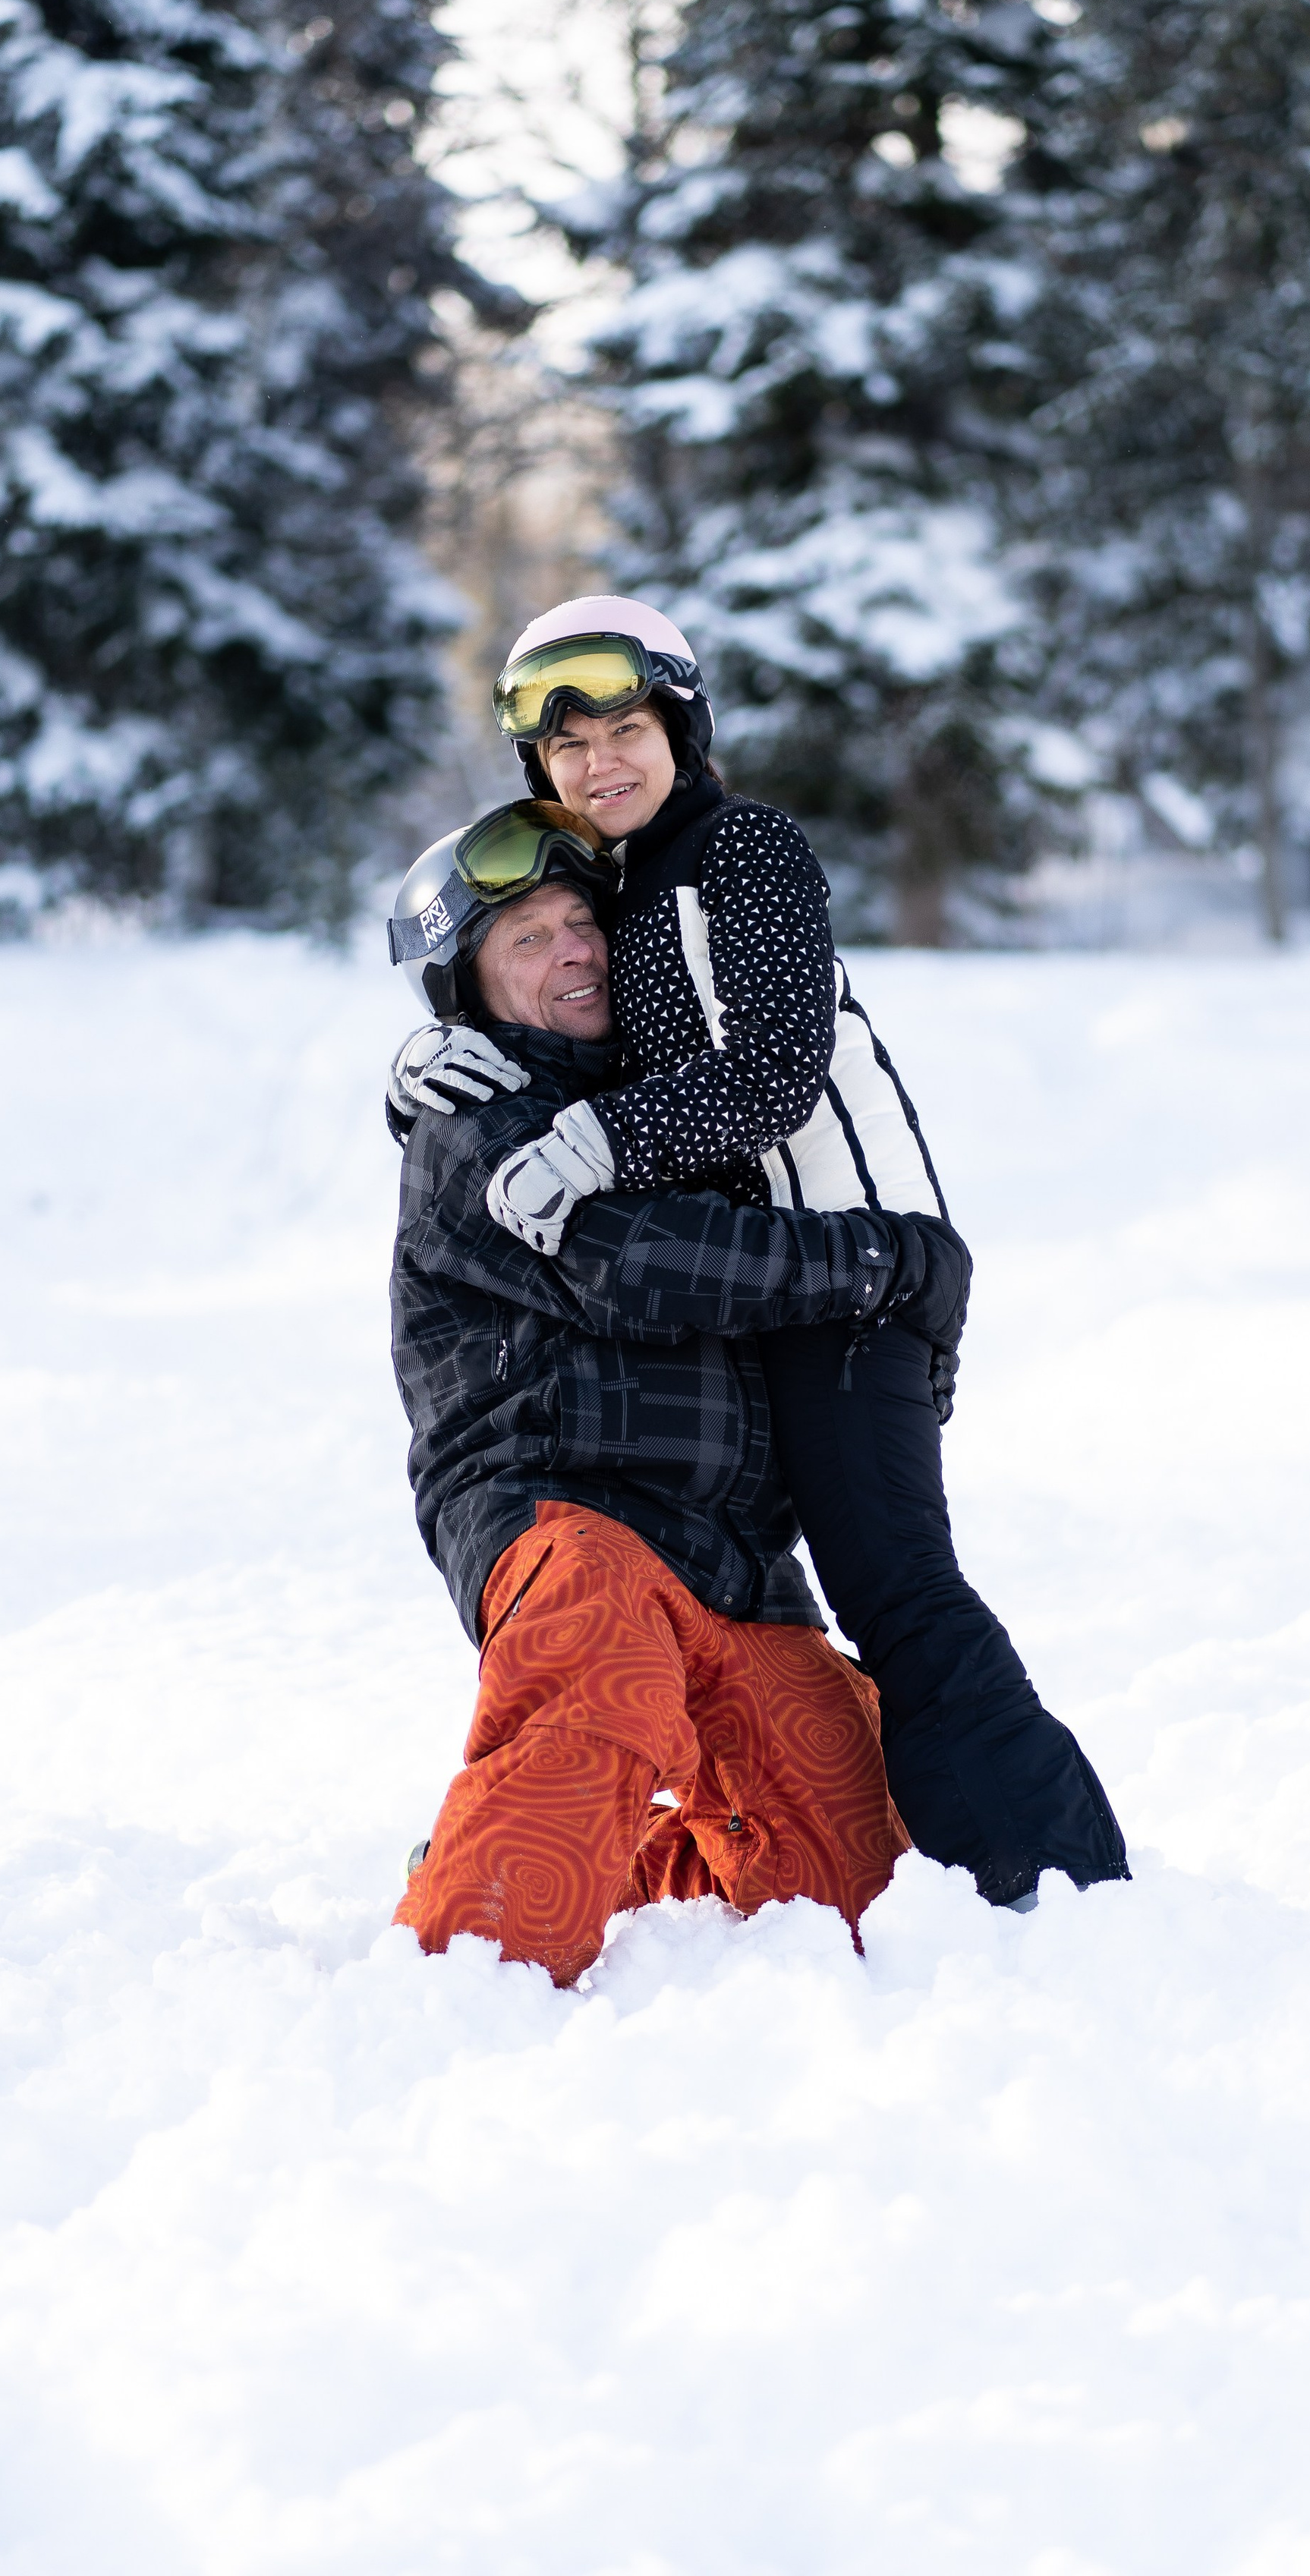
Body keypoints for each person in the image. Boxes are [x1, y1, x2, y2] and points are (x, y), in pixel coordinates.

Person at [392, 595, 1129, 1911]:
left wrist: (882, 1271)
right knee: (768, 1635)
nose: (601, 762)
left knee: (881, 1702)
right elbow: (612, 1189)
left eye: (626, 728)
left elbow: (776, 1073)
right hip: (658, 1431)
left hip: (801, 1401)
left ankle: (1042, 1880)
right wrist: (421, 1061)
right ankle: (516, 1910)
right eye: (571, 749)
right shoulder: (555, 1006)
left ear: (682, 725)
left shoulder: (742, 862)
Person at [385, 796, 978, 1986]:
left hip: (732, 1561)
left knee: (863, 1872)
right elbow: (644, 1265)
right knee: (601, 1691)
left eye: (578, 922)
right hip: (560, 1510)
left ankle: (622, 1862)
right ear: (468, 994)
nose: (575, 951)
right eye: (529, 940)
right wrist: (884, 1260)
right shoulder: (476, 1129)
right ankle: (464, 1978)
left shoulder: (667, 1109)